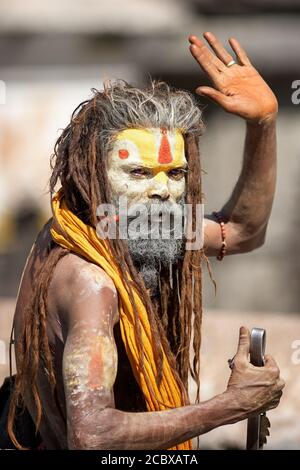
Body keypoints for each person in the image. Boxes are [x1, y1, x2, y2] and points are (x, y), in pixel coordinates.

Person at [6, 32, 284, 450]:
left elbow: (242, 231)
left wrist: (262, 124)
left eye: (174, 175)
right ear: (92, 176)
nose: (162, 192)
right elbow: (93, 437)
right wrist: (232, 405)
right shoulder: (90, 284)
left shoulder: (110, 225)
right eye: (137, 173)